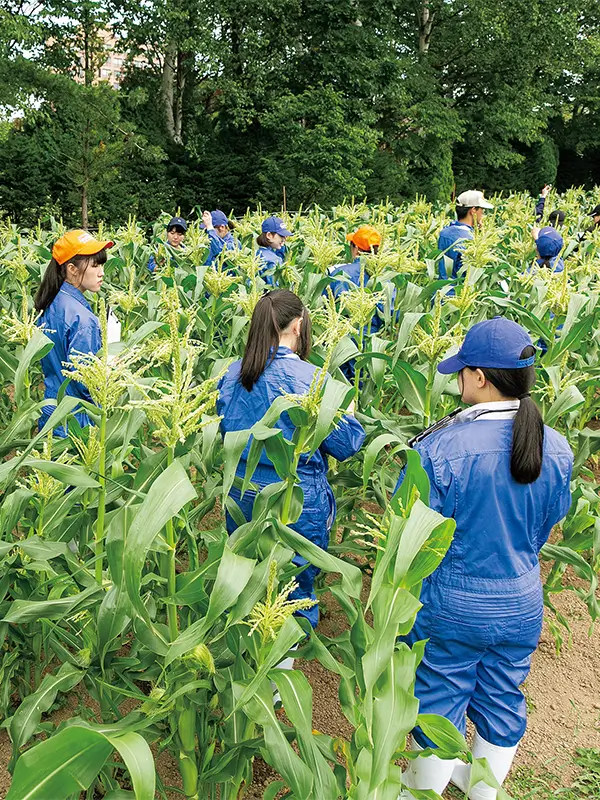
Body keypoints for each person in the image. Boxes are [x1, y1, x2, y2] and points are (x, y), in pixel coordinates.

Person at [397, 317, 573, 800]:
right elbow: (548, 523)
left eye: (462, 371)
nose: (458, 379)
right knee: (502, 697)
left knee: (438, 698)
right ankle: (483, 793)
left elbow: (409, 530)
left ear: (479, 377)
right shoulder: (554, 446)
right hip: (521, 598)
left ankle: (422, 791)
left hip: (453, 603)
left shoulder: (440, 448)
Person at [217, 290, 365, 630]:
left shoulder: (233, 374)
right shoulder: (314, 380)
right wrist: (349, 413)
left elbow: (225, 426)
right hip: (295, 503)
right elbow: (345, 445)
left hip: (242, 496)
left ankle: (247, 655)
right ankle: (277, 670)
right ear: (298, 326)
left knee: (247, 582)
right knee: (291, 594)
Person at [35, 229, 113, 436]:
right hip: (75, 420)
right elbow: (85, 380)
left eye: (102, 264)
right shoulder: (83, 320)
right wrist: (109, 371)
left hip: (51, 409)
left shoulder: (50, 301)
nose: (101, 272)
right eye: (95, 265)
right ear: (72, 269)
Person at [327, 225, 383, 380]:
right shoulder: (383, 276)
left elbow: (328, 302)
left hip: (344, 341)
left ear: (356, 249)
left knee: (344, 383)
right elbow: (391, 313)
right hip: (372, 341)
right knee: (365, 380)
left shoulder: (338, 272)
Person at [437, 190, 494, 281]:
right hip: (460, 292)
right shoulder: (469, 239)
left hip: (441, 290)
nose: (483, 214)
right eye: (482, 210)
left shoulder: (444, 233)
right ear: (473, 210)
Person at [255, 216, 293, 285]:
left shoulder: (260, 253)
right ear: (269, 235)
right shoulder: (272, 261)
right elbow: (276, 287)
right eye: (281, 236)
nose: (285, 239)